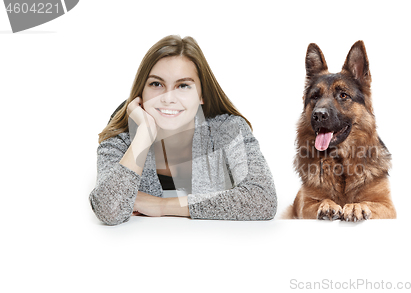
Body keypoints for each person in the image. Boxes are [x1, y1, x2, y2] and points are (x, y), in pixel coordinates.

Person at [89, 35, 277, 225]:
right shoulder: (122, 136)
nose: (168, 98)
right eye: (156, 84)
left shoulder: (227, 129)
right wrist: (143, 136)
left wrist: (163, 206)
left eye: (183, 85)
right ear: (141, 91)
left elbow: (263, 198)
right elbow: (109, 211)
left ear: (202, 95)